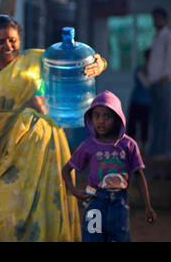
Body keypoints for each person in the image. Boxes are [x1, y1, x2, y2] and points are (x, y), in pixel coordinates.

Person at [0, 15, 107, 242]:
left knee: (50, 204)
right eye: (0, 42)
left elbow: (83, 62)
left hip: (47, 146)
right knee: (10, 209)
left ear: (20, 38)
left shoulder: (39, 58)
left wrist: (99, 63)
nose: (7, 46)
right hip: (12, 150)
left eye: (12, 40)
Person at [62, 90, 157, 242]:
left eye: (107, 116)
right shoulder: (88, 145)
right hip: (94, 201)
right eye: (97, 116)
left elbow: (139, 176)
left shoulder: (129, 145)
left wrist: (148, 206)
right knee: (92, 239)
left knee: (120, 238)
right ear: (90, 118)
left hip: (119, 204)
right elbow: (66, 170)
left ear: (117, 118)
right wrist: (75, 192)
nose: (101, 121)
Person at [147, 8, 171, 158]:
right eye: (154, 18)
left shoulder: (168, 36)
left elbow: (169, 58)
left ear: (164, 19)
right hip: (154, 81)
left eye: (157, 18)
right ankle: (156, 149)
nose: (155, 22)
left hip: (163, 81)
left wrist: (166, 75)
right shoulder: (156, 37)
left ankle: (165, 150)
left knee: (165, 117)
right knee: (156, 117)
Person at [126, 49, 151, 153]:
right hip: (136, 100)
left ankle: (143, 149)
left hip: (147, 103)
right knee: (132, 126)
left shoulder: (155, 72)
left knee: (145, 126)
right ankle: (131, 148)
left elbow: (149, 84)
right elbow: (145, 83)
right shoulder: (140, 69)